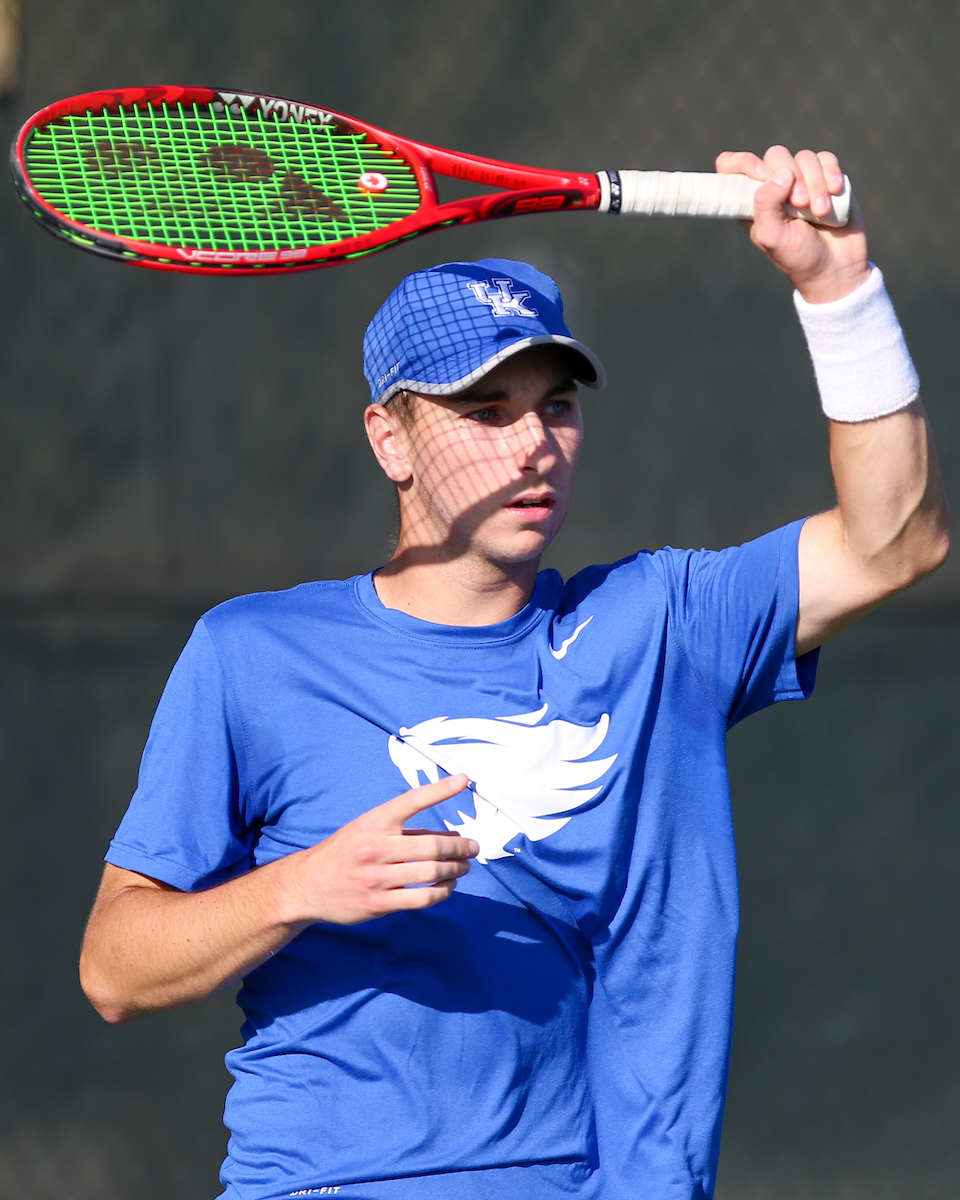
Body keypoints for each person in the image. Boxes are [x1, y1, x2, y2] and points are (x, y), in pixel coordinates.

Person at [80, 147, 949, 1200]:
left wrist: (836, 285)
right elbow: (114, 968)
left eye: (556, 407)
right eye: (485, 413)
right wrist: (304, 887)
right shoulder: (253, 654)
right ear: (389, 441)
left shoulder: (659, 627)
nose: (533, 443)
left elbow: (894, 539)